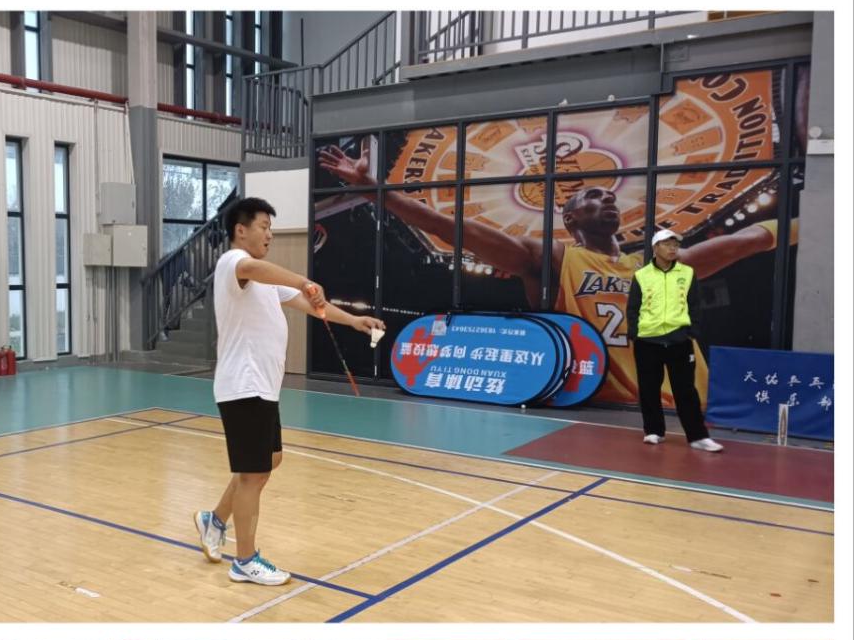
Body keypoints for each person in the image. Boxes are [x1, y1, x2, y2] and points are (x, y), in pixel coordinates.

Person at [320, 140, 778, 411]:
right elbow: (451, 229)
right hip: (608, 409)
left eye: (610, 196)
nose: (607, 199)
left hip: (688, 405)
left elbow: (748, 241)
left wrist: (808, 219)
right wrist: (376, 192)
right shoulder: (555, 259)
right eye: (593, 196)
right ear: (570, 217)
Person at [194, 195, 384, 587]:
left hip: (264, 387)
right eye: (263, 227)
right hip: (243, 384)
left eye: (271, 228)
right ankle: (244, 560)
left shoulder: (266, 284)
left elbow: (312, 307)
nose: (269, 234)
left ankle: (214, 520)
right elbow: (256, 269)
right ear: (240, 230)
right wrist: (303, 280)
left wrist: (353, 321)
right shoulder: (233, 262)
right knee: (253, 473)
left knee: (268, 461)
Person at [626, 229, 724, 450]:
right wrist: (635, 333)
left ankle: (698, 436)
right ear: (655, 248)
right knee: (649, 388)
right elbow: (633, 307)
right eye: (667, 244)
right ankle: (653, 431)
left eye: (675, 245)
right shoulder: (642, 275)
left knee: (686, 391)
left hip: (679, 340)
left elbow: (695, 305)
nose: (672, 249)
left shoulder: (687, 273)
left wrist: (691, 331)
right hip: (648, 341)